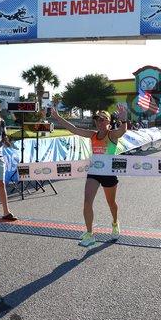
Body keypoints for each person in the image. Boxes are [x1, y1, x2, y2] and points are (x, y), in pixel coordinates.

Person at [51, 105, 128, 247]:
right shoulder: (92, 135)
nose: (99, 122)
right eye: (97, 120)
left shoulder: (112, 135)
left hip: (109, 173)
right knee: (87, 202)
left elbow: (122, 131)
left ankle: (115, 223)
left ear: (109, 122)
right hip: (94, 172)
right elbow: (73, 129)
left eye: (102, 120)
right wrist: (57, 117)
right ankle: (90, 233)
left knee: (111, 203)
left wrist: (123, 119)